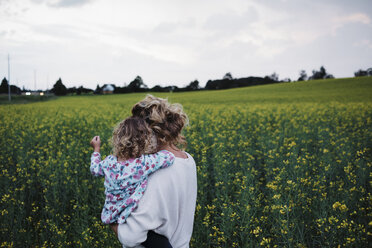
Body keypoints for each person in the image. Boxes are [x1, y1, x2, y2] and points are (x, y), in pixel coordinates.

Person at [112, 95, 198, 248]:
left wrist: (113, 221)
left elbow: (132, 237)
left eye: (138, 133)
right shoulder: (187, 160)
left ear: (153, 133)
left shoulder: (158, 172)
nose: (135, 139)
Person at [89, 116, 176, 247]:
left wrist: (96, 149)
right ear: (144, 141)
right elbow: (169, 157)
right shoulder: (142, 163)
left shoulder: (109, 162)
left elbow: (94, 169)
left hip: (112, 214)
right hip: (130, 216)